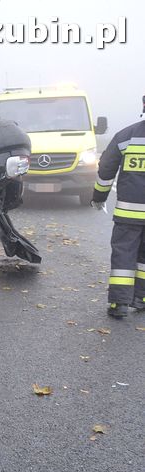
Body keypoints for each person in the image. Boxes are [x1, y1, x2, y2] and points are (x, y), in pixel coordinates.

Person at [91, 95, 145, 318]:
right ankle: (141, 298)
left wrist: (99, 196)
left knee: (124, 254)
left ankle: (119, 303)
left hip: (129, 213)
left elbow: (106, 169)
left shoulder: (126, 136)